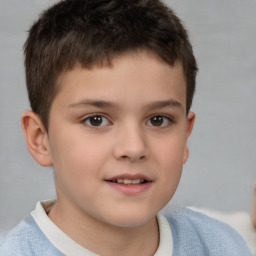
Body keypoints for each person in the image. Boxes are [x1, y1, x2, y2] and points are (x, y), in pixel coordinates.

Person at [0, 0, 252, 255]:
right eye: (96, 120)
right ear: (40, 138)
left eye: (158, 120)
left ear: (185, 136)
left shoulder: (224, 245)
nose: (133, 148)